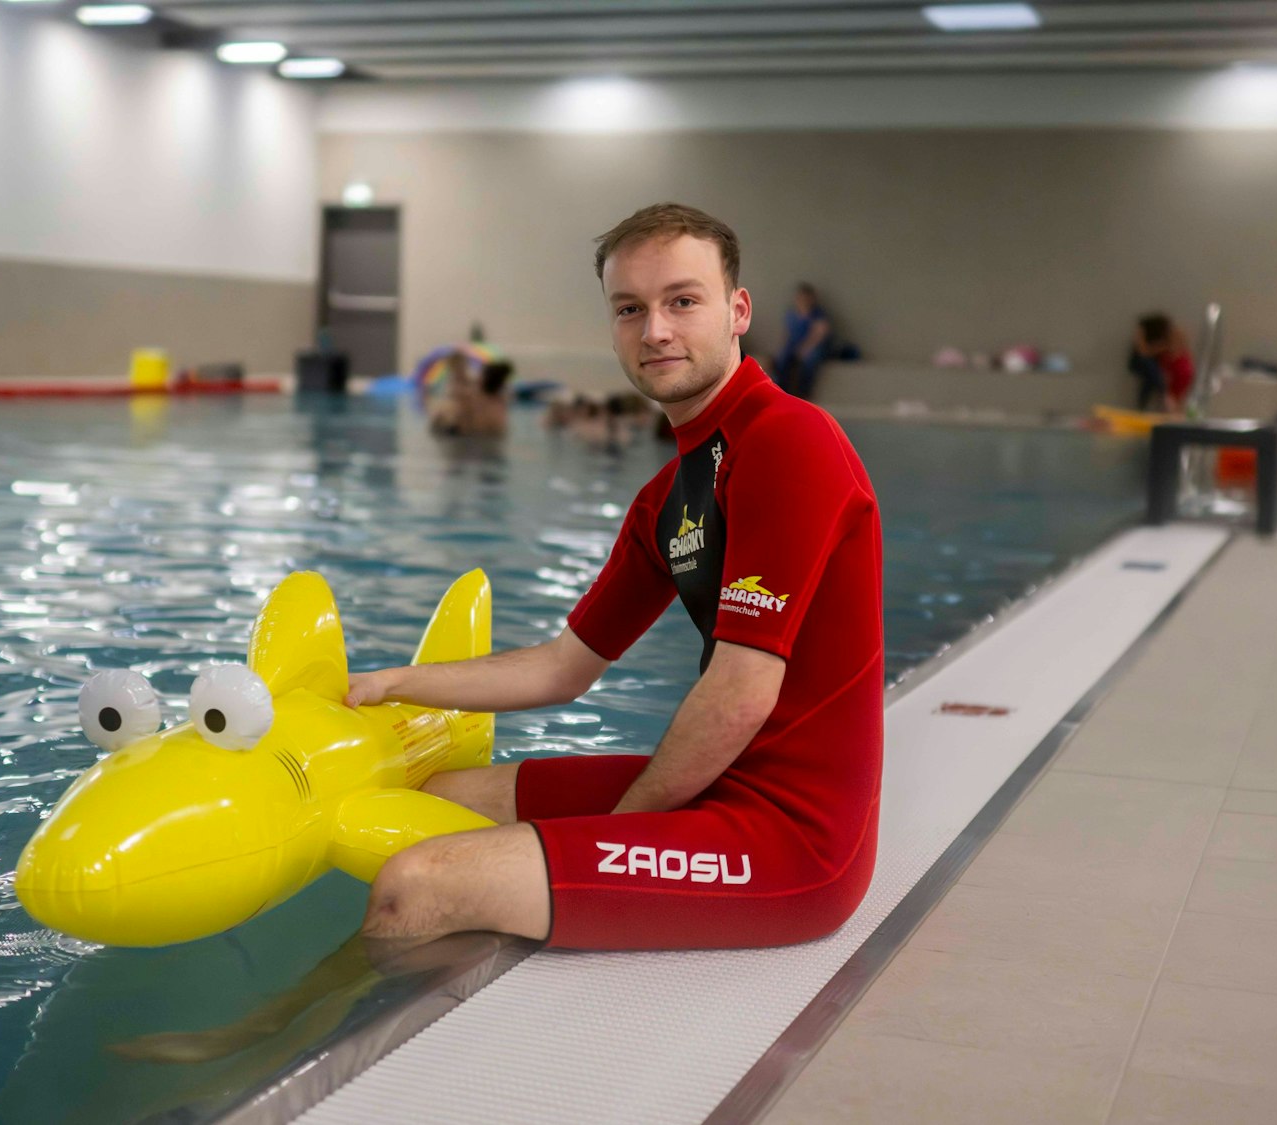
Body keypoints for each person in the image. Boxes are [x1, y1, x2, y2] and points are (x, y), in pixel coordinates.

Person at [343, 202, 886, 952]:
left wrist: (621, 835)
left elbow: (739, 693)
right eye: (630, 308)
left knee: (417, 882)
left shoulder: (791, 441)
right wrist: (388, 682)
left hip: (797, 839)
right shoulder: (666, 499)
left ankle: (282, 1049)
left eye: (682, 301)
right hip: (722, 786)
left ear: (738, 311)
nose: (655, 329)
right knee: (428, 799)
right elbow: (561, 667)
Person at [772, 282, 833, 401]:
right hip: (795, 345)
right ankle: (781, 391)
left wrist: (806, 348)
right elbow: (788, 334)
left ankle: (804, 393)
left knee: (811, 359)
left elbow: (820, 333)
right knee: (783, 358)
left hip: (812, 346)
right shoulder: (792, 314)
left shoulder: (817, 314)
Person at [1129, 312, 1195, 413]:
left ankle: (1170, 409)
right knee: (1155, 380)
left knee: (1170, 396)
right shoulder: (1160, 348)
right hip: (1168, 370)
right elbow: (1144, 352)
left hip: (1179, 372)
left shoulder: (1170, 347)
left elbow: (1146, 352)